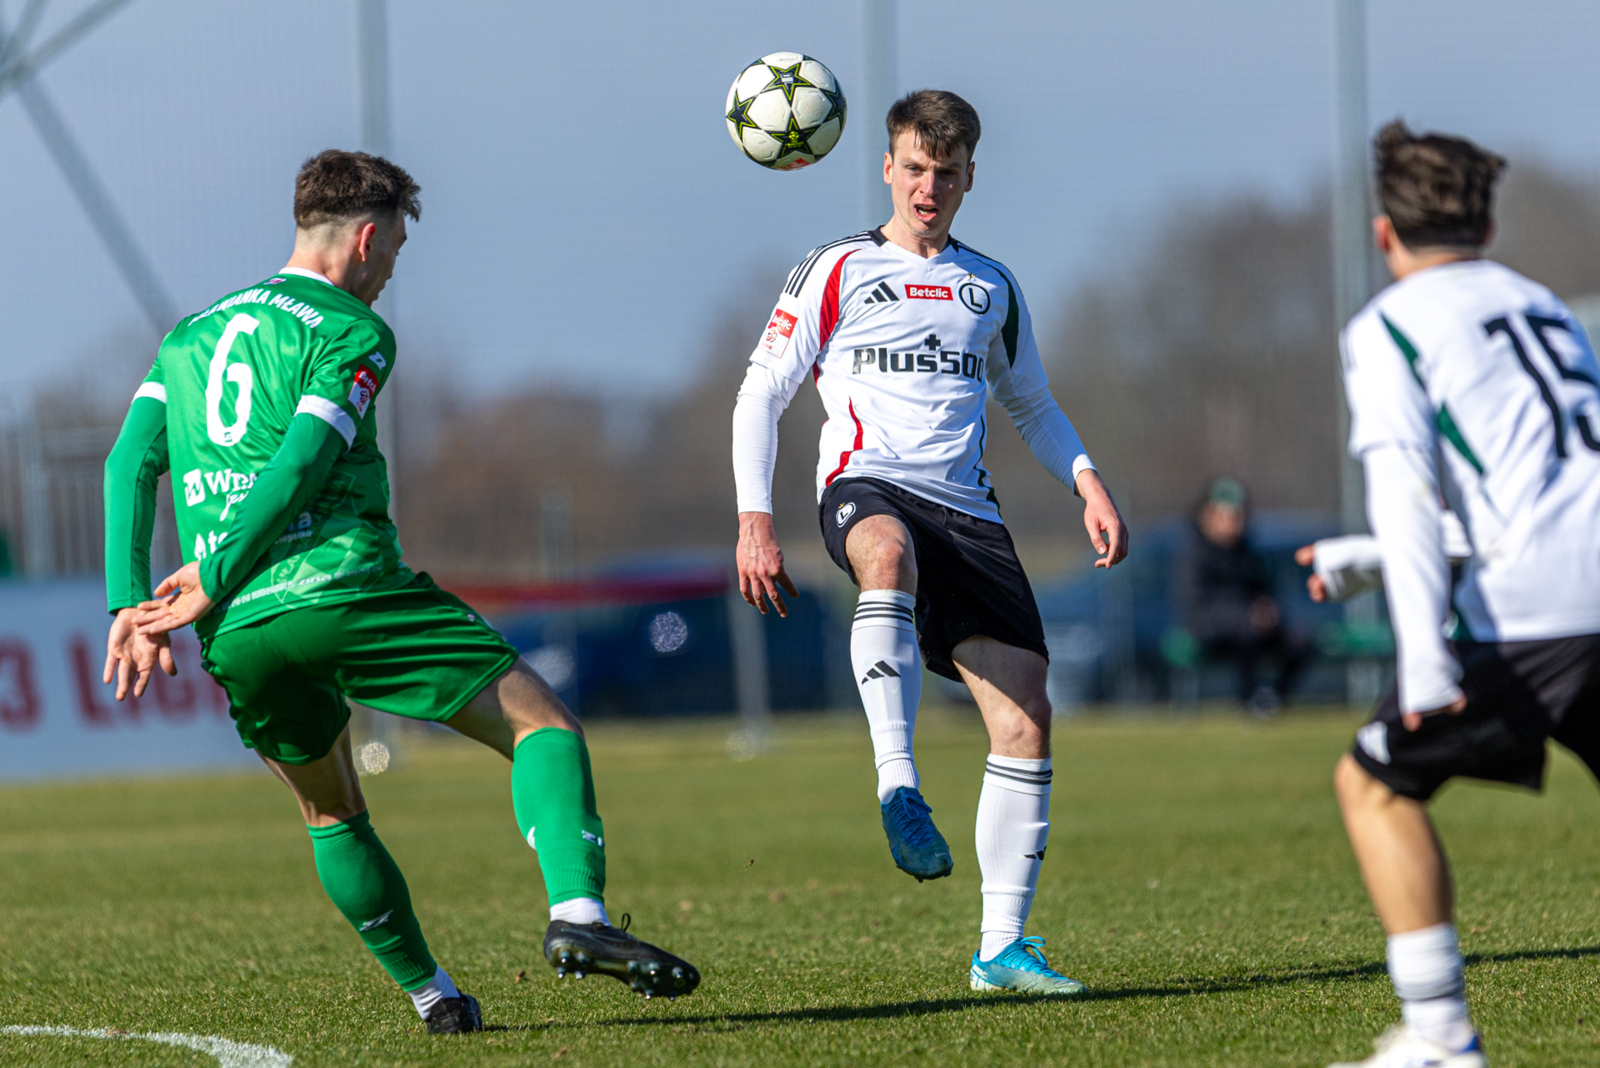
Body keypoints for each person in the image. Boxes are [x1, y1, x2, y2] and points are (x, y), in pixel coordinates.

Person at [103, 150, 698, 1034]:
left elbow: (127, 465)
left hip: (236, 630)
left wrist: (131, 602)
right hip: (340, 589)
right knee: (543, 724)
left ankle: (435, 998)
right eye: (395, 254)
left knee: (330, 810)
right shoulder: (350, 328)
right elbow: (303, 460)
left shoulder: (187, 336)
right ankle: (580, 918)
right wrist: (222, 567)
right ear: (368, 237)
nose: (387, 276)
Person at [730, 90, 1127, 996]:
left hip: (970, 514)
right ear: (887, 167)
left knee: (1026, 715)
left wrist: (1087, 479)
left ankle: (1001, 951)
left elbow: (1030, 399)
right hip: (866, 485)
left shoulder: (991, 286)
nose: (928, 187)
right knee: (886, 555)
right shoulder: (833, 267)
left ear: (969, 178)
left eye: (946, 173)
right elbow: (762, 393)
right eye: (914, 168)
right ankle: (897, 783)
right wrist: (755, 518)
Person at [1320, 122, 1600, 1068]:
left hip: (1539, 611)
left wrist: (1426, 663)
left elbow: (1405, 491)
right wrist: (1369, 555)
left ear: (1383, 233)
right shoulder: (1542, 306)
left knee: (1375, 783)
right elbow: (1542, 486)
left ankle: (1438, 1034)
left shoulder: (1390, 324)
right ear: (1484, 218)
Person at [1173, 476, 1308, 714]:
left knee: (1299, 641)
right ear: (1208, 516)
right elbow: (1197, 603)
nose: (1234, 523)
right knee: (1247, 631)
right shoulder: (1195, 554)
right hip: (1211, 628)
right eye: (1226, 516)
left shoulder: (1245, 551)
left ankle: (1274, 698)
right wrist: (1246, 615)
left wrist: (1268, 610)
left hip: (1251, 625)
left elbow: (1264, 589)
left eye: (1238, 516)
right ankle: (1249, 699)